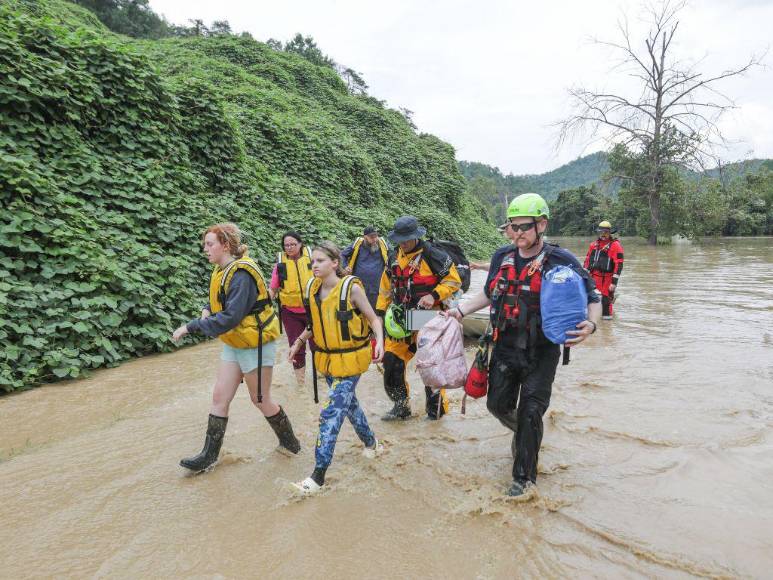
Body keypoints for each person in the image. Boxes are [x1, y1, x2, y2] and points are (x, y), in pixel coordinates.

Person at [446, 194, 601, 497]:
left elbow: (594, 296)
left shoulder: (561, 259)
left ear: (541, 225)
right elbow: (489, 293)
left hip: (542, 351)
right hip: (504, 346)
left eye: (524, 227)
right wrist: (459, 311)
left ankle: (523, 480)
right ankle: (528, 434)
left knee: (530, 411)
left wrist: (592, 325)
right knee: (496, 405)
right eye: (512, 227)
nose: (517, 233)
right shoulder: (501, 257)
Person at [172, 223, 301, 473]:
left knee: (260, 400)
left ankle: (290, 445)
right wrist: (207, 310)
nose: (205, 249)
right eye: (205, 244)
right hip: (234, 341)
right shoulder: (221, 270)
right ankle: (208, 456)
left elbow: (231, 316)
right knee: (219, 397)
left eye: (210, 244)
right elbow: (219, 301)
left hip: (255, 343)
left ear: (225, 245)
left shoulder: (242, 275)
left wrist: (191, 326)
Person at [287, 242, 384, 495]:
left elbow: (373, 319)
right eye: (313, 262)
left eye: (320, 261)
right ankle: (372, 444)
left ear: (334, 263)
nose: (314, 266)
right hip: (329, 362)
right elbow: (315, 324)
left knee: (331, 413)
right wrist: (298, 342)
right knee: (350, 406)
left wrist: (381, 343)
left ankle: (317, 477)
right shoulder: (313, 289)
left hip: (351, 361)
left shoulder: (352, 289)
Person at [376, 215, 462, 421]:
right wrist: (379, 314)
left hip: (429, 318)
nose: (403, 243)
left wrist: (434, 295)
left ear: (416, 236)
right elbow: (385, 288)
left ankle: (435, 413)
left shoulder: (433, 255)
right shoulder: (393, 257)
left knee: (430, 367)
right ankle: (401, 407)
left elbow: (454, 281)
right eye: (400, 240)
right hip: (401, 319)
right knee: (391, 362)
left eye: (407, 239)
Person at [269, 231, 314, 387]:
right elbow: (273, 289)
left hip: (313, 310)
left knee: (319, 345)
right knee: (296, 347)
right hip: (290, 313)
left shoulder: (312, 259)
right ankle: (301, 385)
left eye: (293, 244)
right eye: (286, 245)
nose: (289, 247)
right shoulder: (280, 265)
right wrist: (261, 304)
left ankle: (322, 375)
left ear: (300, 244)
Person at [341, 226, 389, 310]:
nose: (375, 239)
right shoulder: (357, 244)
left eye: (376, 236)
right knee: (358, 310)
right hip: (359, 286)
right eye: (371, 237)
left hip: (376, 287)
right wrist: (345, 266)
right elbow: (342, 255)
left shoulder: (383, 244)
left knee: (374, 310)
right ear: (365, 237)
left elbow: (393, 255)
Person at [584, 221, 624, 320]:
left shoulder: (615, 246)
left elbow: (619, 264)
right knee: (589, 300)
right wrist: (584, 276)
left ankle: (607, 325)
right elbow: (587, 261)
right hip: (593, 277)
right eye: (601, 232)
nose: (603, 234)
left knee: (606, 302)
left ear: (610, 233)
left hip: (607, 279)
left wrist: (614, 283)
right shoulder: (593, 245)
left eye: (606, 232)